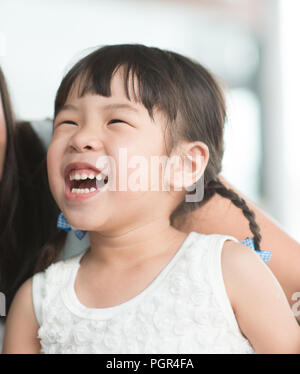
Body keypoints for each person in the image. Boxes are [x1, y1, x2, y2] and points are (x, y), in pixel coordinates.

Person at [3, 44, 300, 354]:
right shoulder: (36, 304)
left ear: (184, 164)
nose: (80, 138)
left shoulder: (231, 270)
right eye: (67, 123)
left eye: (116, 121)